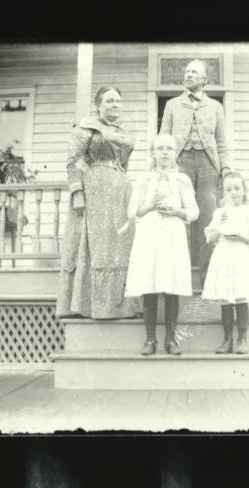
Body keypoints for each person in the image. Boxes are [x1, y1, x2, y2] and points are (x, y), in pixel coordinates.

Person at [56, 86, 139, 319]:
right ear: (98, 105)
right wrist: (78, 192)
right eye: (110, 101)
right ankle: (90, 306)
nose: (115, 105)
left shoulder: (123, 132)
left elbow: (123, 164)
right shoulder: (86, 129)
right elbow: (75, 162)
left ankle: (119, 306)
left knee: (119, 245)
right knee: (97, 245)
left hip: (120, 191)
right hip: (94, 192)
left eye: (118, 102)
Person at [124, 134, 199, 356]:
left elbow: (194, 212)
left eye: (169, 148)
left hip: (173, 232)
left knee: (171, 285)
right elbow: (131, 211)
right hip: (149, 233)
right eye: (160, 148)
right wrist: (147, 206)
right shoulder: (145, 179)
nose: (165, 152)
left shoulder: (182, 180)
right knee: (150, 284)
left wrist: (177, 211)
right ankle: (149, 339)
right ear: (153, 153)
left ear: (175, 153)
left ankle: (170, 339)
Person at [160, 59, 230, 284]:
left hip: (208, 164)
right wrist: (162, 168)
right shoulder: (172, 104)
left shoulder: (216, 107)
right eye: (187, 71)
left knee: (207, 216)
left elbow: (221, 141)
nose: (189, 75)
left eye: (194, 72)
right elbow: (164, 138)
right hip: (180, 163)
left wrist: (226, 168)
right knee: (180, 215)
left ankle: (207, 276)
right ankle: (180, 276)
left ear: (204, 80)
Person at [202, 172, 249, 354]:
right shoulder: (220, 213)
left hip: (241, 256)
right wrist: (220, 225)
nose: (233, 192)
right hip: (223, 256)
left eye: (237, 188)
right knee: (226, 301)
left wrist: (243, 236)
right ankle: (227, 339)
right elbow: (210, 237)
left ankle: (242, 338)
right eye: (229, 189)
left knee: (240, 298)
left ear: (244, 190)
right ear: (223, 192)